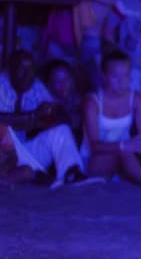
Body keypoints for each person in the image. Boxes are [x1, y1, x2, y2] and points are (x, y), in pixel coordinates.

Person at [81, 50, 141, 186]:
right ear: (104, 76)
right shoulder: (92, 102)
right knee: (124, 151)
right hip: (97, 159)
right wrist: (124, 145)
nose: (121, 82)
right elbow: (94, 146)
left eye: (126, 76)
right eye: (115, 76)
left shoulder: (136, 98)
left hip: (128, 153)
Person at [0, 50, 90, 186]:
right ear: (10, 70)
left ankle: (71, 173)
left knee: (61, 130)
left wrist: (44, 118)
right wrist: (34, 116)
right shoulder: (1, 84)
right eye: (21, 69)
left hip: (25, 152)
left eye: (31, 70)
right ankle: (30, 177)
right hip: (4, 155)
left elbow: (61, 115)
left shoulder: (35, 86)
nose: (27, 75)